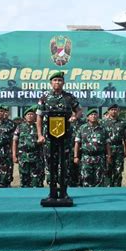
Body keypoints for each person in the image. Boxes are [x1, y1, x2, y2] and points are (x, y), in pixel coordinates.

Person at [36, 71, 82, 200]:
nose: (57, 82)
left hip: (65, 137)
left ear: (63, 82)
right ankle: (52, 192)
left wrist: (74, 117)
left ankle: (63, 192)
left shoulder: (69, 97)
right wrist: (39, 135)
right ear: (51, 83)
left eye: (60, 80)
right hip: (49, 137)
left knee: (64, 164)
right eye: (55, 80)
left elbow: (79, 111)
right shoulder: (44, 97)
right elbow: (39, 117)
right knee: (50, 164)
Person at [74, 109, 112, 187]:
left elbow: (107, 144)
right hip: (86, 157)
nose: (93, 116)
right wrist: (76, 156)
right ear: (87, 117)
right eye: (91, 115)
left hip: (99, 158)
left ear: (98, 116)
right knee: (86, 179)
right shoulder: (82, 128)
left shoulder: (103, 129)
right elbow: (77, 143)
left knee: (99, 180)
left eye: (95, 114)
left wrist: (109, 156)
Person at [12, 105, 44, 188]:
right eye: (28, 114)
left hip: (36, 156)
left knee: (37, 180)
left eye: (32, 114)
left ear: (35, 116)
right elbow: (15, 141)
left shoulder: (39, 127)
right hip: (23, 156)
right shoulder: (20, 127)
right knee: (24, 180)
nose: (30, 116)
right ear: (25, 116)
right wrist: (14, 155)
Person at [100, 104, 126, 187]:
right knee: (107, 170)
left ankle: (117, 189)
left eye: (115, 110)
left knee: (118, 171)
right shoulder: (102, 122)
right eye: (112, 110)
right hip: (106, 149)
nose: (114, 111)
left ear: (118, 111)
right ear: (108, 111)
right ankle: (107, 189)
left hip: (119, 149)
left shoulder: (122, 123)